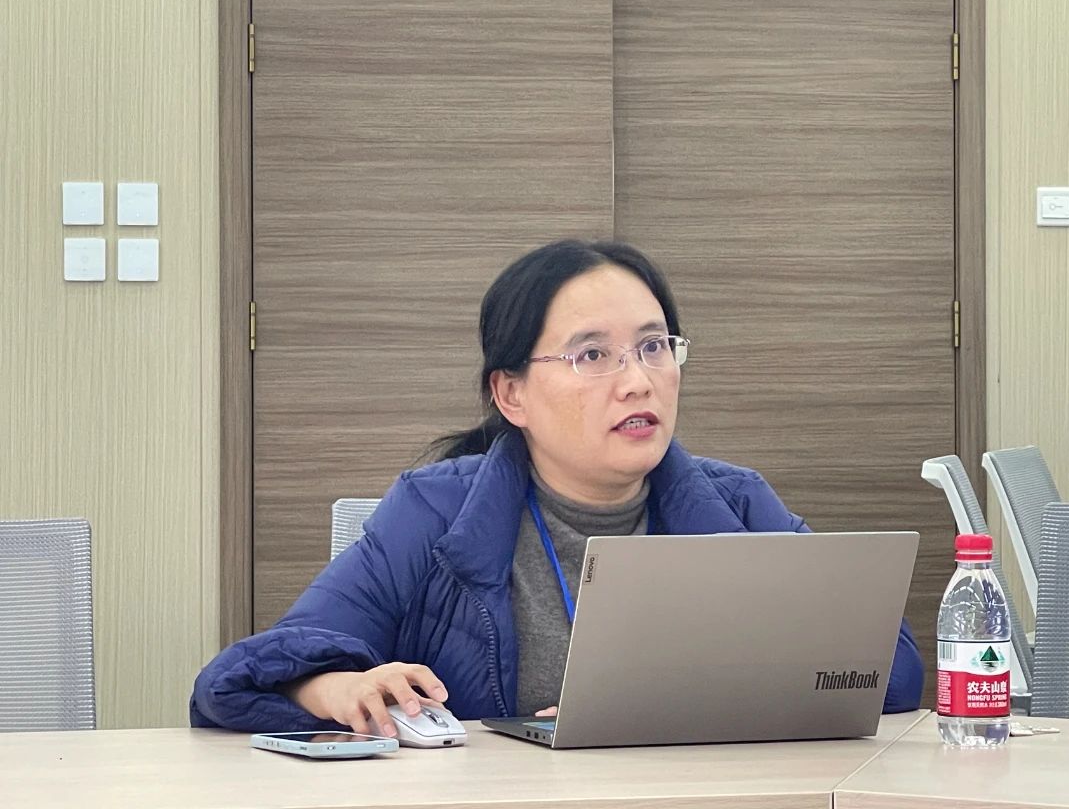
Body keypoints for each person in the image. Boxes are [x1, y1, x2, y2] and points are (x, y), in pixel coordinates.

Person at [190, 240, 924, 736]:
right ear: (511, 394)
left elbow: (890, 673)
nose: (638, 380)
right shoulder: (433, 511)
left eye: (654, 346)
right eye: (592, 355)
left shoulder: (736, 504)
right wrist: (334, 689)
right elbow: (236, 680)